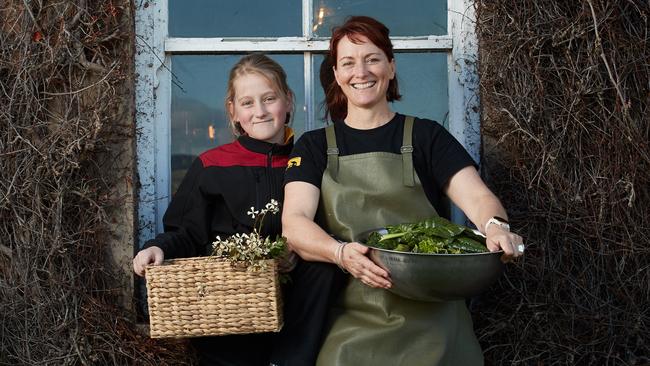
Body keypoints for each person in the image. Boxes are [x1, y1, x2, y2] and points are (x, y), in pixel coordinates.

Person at [282, 16, 525, 365]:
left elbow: (478, 197)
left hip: (436, 324)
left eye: (373, 59)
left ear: (391, 67)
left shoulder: (427, 137)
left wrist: (495, 226)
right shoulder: (314, 146)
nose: (361, 72)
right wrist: (340, 253)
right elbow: (294, 223)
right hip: (350, 321)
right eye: (348, 62)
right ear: (336, 75)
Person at [133, 54, 346, 366]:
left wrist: (302, 248)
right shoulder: (211, 165)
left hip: (299, 319)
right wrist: (157, 247)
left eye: (269, 99)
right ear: (233, 111)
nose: (259, 111)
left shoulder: (309, 161)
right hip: (230, 315)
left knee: (323, 266)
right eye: (247, 103)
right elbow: (186, 233)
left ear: (288, 102)